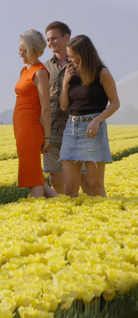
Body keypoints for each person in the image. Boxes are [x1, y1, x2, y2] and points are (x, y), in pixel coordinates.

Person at [60, 35, 120, 197]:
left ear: (84, 54)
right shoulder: (71, 73)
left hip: (93, 132)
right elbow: (64, 106)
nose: (69, 59)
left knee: (96, 186)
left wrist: (97, 120)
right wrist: (65, 83)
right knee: (70, 189)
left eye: (72, 56)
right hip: (71, 130)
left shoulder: (102, 73)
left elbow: (115, 103)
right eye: (68, 56)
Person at [44, 21, 91, 195]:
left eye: (54, 38)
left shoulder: (81, 64)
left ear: (66, 37)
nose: (50, 43)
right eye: (48, 40)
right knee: (55, 177)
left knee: (85, 178)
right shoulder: (44, 67)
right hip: (53, 129)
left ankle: (88, 213)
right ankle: (67, 214)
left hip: (76, 128)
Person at [13, 30, 57, 199]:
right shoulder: (24, 70)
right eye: (20, 49)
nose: (21, 54)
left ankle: (36, 213)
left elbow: (46, 109)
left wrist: (46, 138)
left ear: (35, 50)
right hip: (21, 127)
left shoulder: (40, 72)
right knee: (35, 175)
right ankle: (65, 207)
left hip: (31, 128)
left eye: (25, 50)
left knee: (32, 176)